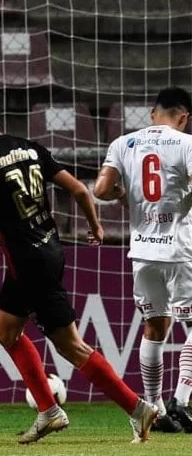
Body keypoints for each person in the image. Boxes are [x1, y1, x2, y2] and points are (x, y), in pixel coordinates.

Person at [0, 84, 158, 444]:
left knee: (67, 346)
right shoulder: (31, 148)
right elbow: (79, 189)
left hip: (26, 262)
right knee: (10, 332)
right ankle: (68, 410)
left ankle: (119, 408)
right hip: (49, 250)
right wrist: (95, 227)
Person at [94, 86, 192, 434]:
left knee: (154, 328)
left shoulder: (124, 143)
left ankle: (155, 407)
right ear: (184, 117)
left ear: (153, 114)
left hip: (142, 252)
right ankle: (182, 398)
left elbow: (101, 190)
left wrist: (125, 195)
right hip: (180, 250)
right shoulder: (186, 143)